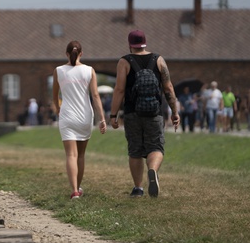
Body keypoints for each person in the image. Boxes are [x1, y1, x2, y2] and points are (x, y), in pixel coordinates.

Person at [109, 30, 180, 198]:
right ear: (145, 43)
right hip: (155, 112)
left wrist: (113, 115)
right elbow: (168, 88)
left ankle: (138, 188)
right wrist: (174, 111)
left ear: (130, 44)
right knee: (155, 147)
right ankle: (152, 170)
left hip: (132, 113)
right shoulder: (159, 60)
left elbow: (119, 90)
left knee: (135, 151)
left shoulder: (124, 62)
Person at [52, 40, 106, 200]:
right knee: (81, 155)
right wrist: (102, 118)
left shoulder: (58, 71)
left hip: (67, 116)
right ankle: (78, 189)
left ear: (67, 54)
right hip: (85, 116)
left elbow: (55, 95)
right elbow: (95, 96)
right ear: (81, 53)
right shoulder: (89, 71)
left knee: (71, 155)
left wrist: (58, 110)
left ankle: (75, 190)